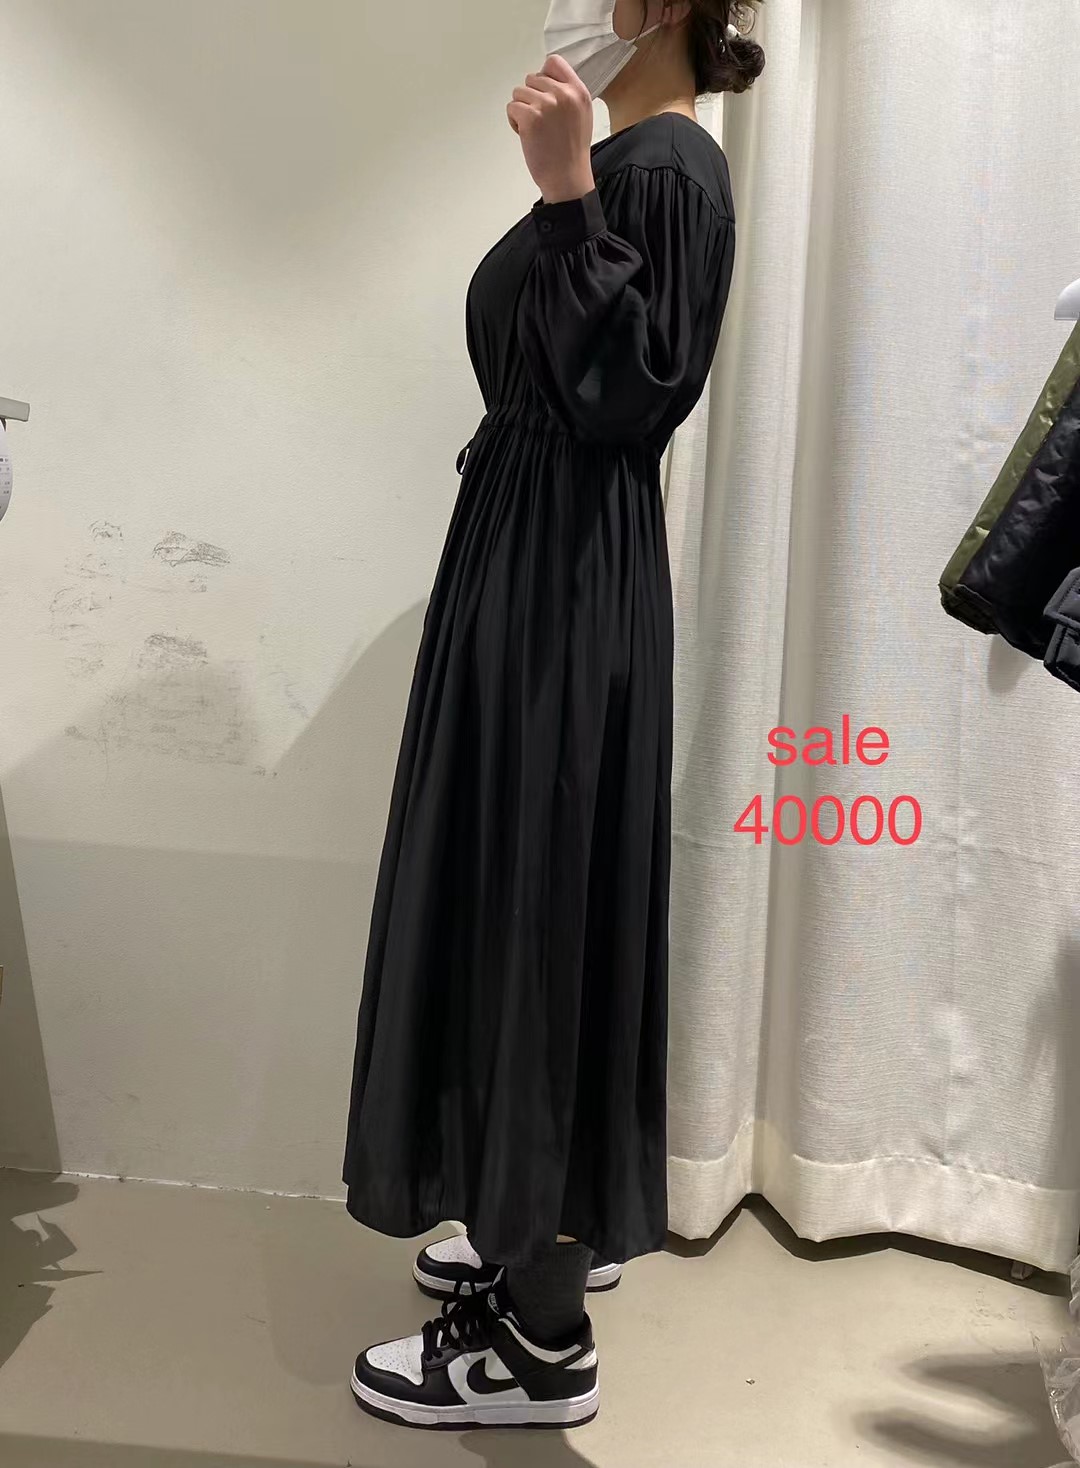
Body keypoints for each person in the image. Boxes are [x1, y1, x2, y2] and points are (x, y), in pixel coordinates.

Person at [343, 0, 763, 1432]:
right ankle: (525, 1210)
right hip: (529, 562)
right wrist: (574, 186)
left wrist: (570, 194)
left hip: (565, 579)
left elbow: (638, 395)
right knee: (510, 896)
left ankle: (542, 1343)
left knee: (540, 909)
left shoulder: (669, 169)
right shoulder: (633, 154)